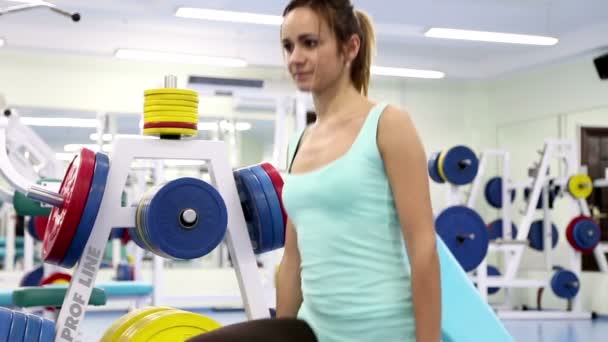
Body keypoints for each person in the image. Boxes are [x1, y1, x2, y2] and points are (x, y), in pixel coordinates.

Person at [189, 1, 440, 341]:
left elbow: (423, 248)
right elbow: (292, 260)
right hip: (315, 331)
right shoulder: (299, 142)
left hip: (380, 329)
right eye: (288, 46)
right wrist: (281, 332)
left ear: (350, 47)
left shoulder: (388, 125)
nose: (295, 58)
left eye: (310, 43)